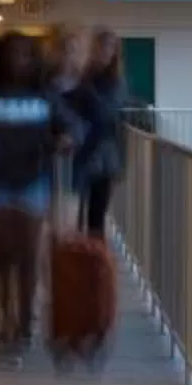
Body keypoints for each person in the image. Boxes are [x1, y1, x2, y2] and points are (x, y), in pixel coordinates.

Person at [0, 31, 61, 360]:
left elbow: (65, 127)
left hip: (32, 182)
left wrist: (63, 140)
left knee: (29, 258)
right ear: (0, 58)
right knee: (0, 259)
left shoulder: (43, 93)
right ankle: (2, 326)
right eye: (12, 53)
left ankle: (24, 326)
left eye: (25, 54)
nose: (19, 60)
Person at [59, 29, 127, 239]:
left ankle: (94, 261)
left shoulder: (115, 81)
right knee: (78, 210)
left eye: (109, 49)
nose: (104, 53)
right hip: (85, 150)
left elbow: (108, 113)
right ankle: (83, 256)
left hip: (103, 153)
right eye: (101, 47)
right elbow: (69, 103)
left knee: (96, 214)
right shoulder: (85, 76)